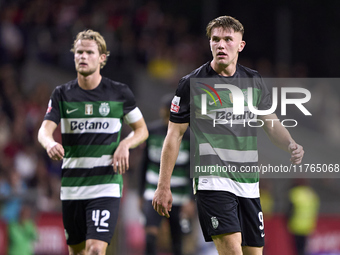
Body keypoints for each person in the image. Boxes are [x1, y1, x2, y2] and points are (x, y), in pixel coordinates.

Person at [152, 16, 304, 255]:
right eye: (215, 39)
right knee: (232, 251)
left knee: (253, 252)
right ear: (210, 43)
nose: (221, 45)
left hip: (248, 184)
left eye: (227, 39)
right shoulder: (191, 83)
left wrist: (290, 143)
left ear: (240, 45)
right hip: (212, 181)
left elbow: (270, 122)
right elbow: (173, 136)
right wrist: (163, 186)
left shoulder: (253, 81)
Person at [37, 29, 148, 255]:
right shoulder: (62, 94)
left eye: (89, 52)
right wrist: (49, 144)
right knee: (78, 252)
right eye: (79, 52)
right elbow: (44, 131)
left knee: (96, 250)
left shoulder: (119, 93)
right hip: (72, 188)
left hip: (105, 185)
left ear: (102, 58)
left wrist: (125, 144)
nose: (83, 57)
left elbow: (141, 130)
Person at [139, 94, 194, 255]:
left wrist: (191, 198)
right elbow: (144, 163)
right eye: (165, 113)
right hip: (153, 191)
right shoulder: (152, 132)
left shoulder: (189, 136)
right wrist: (141, 194)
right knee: (150, 235)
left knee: (177, 240)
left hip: (179, 195)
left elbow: (192, 168)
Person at [287, 179, 319, 255]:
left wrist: (287, 221)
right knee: (304, 248)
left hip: (296, 225)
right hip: (308, 225)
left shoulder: (295, 193)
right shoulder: (311, 194)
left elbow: (289, 209)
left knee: (297, 249)